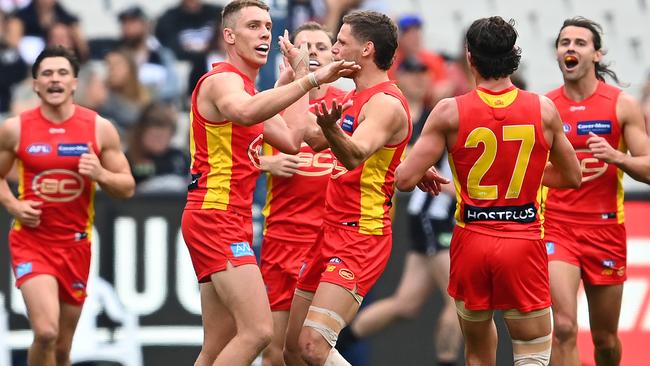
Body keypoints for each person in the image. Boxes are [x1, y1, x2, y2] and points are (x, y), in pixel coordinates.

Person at [395, 16, 582, 366]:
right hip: (523, 240)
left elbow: (404, 179)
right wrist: (523, 169)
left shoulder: (449, 111)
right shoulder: (542, 109)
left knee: (478, 356)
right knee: (532, 353)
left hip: (472, 242)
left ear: (469, 58)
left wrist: (423, 173)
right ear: (513, 56)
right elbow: (572, 176)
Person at [179, 1, 358, 365]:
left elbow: (292, 138)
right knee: (259, 332)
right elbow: (246, 112)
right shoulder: (223, 79)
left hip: (228, 218)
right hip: (216, 216)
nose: (264, 33)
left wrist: (294, 76)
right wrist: (311, 79)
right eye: (253, 26)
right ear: (229, 35)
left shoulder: (247, 87)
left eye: (267, 25)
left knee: (217, 345)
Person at [281, 10, 415, 366]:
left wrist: (330, 128)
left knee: (312, 346)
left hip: (361, 236)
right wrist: (299, 79)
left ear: (367, 49)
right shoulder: (353, 97)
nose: (335, 48)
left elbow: (355, 155)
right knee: (292, 350)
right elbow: (306, 135)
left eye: (341, 42)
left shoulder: (385, 103)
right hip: (329, 232)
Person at [0, 45, 135, 366]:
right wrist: (13, 205)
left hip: (75, 246)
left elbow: (127, 187)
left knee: (61, 346)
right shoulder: (15, 128)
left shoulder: (99, 128)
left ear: (75, 82)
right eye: (47, 74)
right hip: (32, 242)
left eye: (62, 73)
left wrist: (100, 173)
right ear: (35, 84)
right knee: (45, 332)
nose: (55, 79)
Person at [339, 57, 462, 366]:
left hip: (431, 215)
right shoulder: (407, 112)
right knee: (460, 300)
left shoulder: (439, 110)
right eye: (413, 72)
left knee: (406, 304)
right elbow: (400, 169)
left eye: (426, 72)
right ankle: (446, 361)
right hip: (434, 215)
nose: (422, 78)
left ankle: (342, 338)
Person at [544, 17, 650, 366]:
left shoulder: (621, 105)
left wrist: (617, 157)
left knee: (605, 340)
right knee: (563, 327)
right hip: (557, 226)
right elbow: (528, 169)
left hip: (605, 229)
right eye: (564, 43)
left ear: (596, 54)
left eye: (579, 42)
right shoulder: (544, 107)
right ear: (558, 54)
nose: (570, 48)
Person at [258, 21, 346, 366]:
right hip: (283, 237)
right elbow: (229, 154)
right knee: (275, 351)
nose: (312, 52)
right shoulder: (274, 101)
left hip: (329, 240)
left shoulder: (349, 103)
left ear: (334, 56)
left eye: (321, 47)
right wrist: (267, 164)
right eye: (304, 45)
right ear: (288, 53)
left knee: (312, 349)